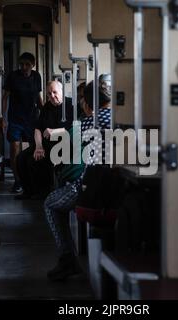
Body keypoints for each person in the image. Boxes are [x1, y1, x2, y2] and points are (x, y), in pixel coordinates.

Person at [44, 80, 112, 281]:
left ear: (89, 102)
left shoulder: (91, 121)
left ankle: (68, 260)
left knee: (50, 204)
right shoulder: (120, 117)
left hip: (93, 188)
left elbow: (70, 140)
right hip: (116, 186)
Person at [15, 80, 77, 200]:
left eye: (54, 92)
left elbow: (73, 129)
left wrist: (54, 131)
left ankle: (42, 193)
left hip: (63, 144)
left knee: (35, 161)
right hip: (45, 144)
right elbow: (38, 129)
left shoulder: (72, 105)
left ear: (61, 91)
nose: (52, 96)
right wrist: (38, 147)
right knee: (21, 158)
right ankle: (28, 191)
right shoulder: (47, 107)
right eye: (49, 94)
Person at [1, 52, 43, 193]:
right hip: (15, 119)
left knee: (34, 149)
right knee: (15, 148)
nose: (24, 67)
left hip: (32, 119)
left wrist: (44, 115)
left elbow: (38, 97)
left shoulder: (36, 76)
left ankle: (31, 179)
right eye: (22, 64)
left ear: (33, 65)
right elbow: (5, 97)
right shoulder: (13, 76)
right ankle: (17, 180)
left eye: (27, 64)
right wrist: (3, 118)